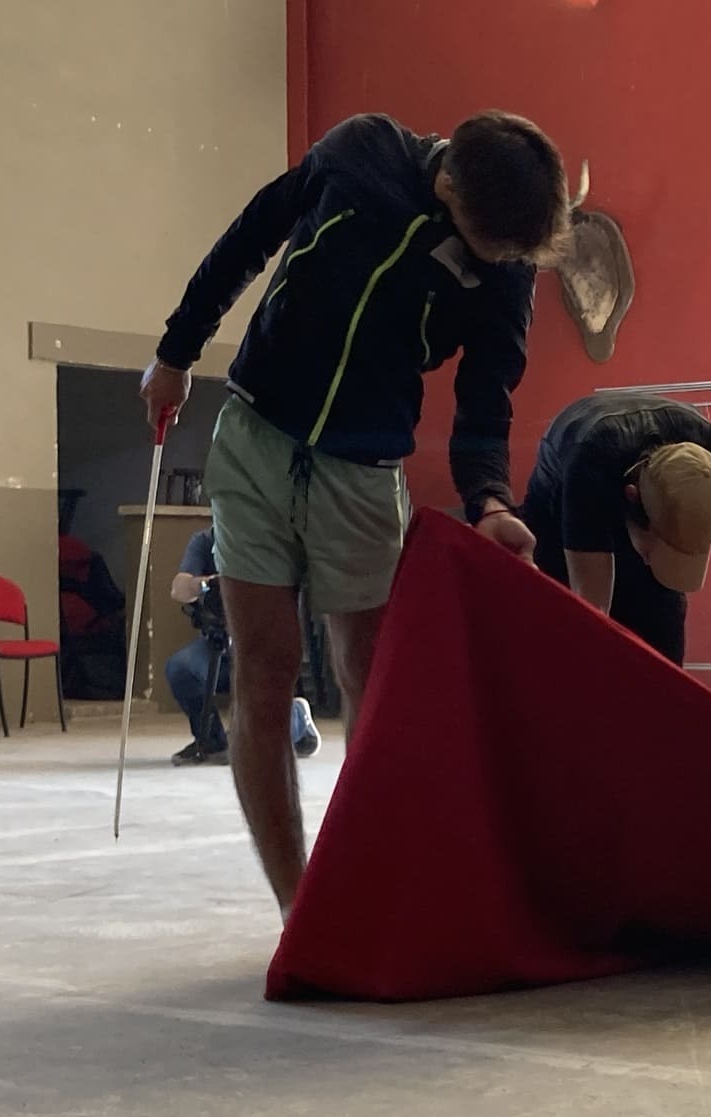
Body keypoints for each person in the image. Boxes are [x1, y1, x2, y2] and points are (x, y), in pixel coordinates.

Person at [137, 111, 571, 918]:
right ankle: (299, 909)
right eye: (492, 244)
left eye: (515, 254)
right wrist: (175, 353)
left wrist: (490, 502)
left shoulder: (507, 266)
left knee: (368, 678)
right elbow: (249, 239)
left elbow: (486, 400)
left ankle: (375, 887)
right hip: (257, 437)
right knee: (263, 671)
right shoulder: (359, 152)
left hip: (365, 472)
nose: (502, 263)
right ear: (446, 183)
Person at [519, 392, 711, 719]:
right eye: (661, 551)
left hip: (639, 501)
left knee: (663, 677)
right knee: (580, 681)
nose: (653, 563)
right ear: (632, 499)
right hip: (557, 529)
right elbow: (592, 618)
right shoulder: (591, 465)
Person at [165, 526, 321, 767]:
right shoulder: (205, 541)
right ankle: (211, 740)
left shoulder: (268, 539)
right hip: (216, 644)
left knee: (260, 740)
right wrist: (210, 584)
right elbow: (178, 588)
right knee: (179, 668)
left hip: (260, 646)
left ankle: (296, 719)